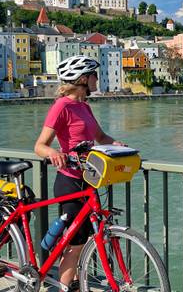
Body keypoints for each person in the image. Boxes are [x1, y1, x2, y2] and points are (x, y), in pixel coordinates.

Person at [34, 55, 125, 291]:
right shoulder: (61, 106)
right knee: (75, 243)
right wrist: (54, 153)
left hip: (89, 178)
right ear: (83, 78)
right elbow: (39, 145)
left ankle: (72, 281)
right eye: (95, 74)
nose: (98, 79)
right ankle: (62, 286)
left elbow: (100, 138)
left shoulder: (84, 106)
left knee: (81, 240)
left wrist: (118, 145)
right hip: (70, 181)